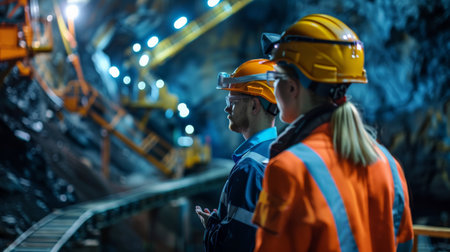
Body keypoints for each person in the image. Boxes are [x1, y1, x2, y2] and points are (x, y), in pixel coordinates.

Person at [252, 14, 414, 251]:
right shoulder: (388, 164)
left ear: (291, 86)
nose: (274, 87)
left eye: (275, 76)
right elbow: (405, 244)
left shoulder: (288, 170)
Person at [195, 59, 278, 252]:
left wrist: (212, 228)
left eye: (232, 102)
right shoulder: (281, 152)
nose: (227, 109)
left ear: (254, 106)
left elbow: (235, 247)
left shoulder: (250, 167)